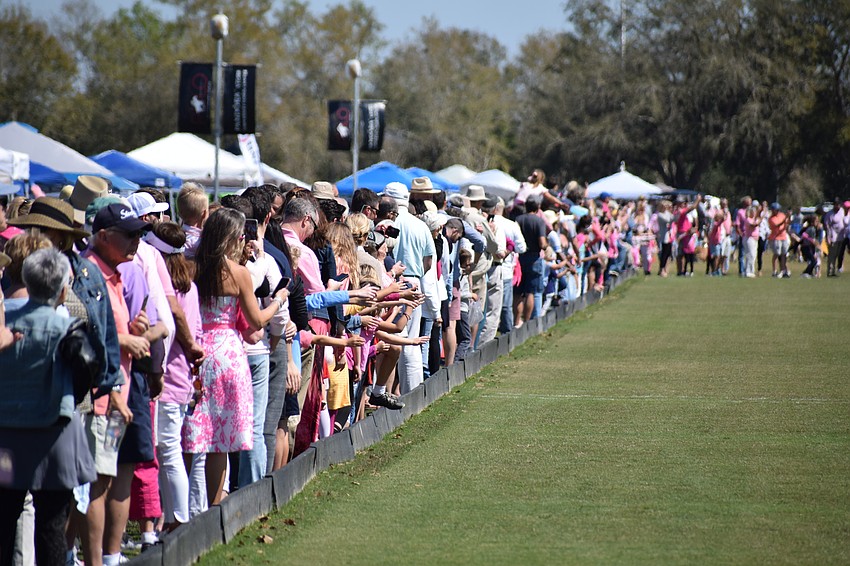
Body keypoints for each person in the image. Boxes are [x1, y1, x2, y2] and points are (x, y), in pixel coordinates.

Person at [183, 208, 288, 506]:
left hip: (197, 351)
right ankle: (215, 509)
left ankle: (189, 507)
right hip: (228, 354)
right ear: (232, 238)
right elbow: (256, 321)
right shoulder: (238, 273)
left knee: (193, 435)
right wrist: (279, 300)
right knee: (219, 442)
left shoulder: (191, 267)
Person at [0, 248, 98, 566]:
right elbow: (88, 368)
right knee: (52, 525)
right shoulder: (66, 326)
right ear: (62, 289)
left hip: (7, 432)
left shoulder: (6, 319)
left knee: (3, 524)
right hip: (54, 432)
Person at [514, 195, 548, 325]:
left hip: (520, 258)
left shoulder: (518, 219)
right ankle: (528, 321)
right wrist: (547, 246)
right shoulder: (539, 221)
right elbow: (542, 243)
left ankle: (517, 322)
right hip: (534, 258)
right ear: (538, 207)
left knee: (518, 292)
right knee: (531, 292)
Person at [822, 198, 845, 277]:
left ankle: (834, 271)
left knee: (837, 255)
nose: (838, 206)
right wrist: (828, 238)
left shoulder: (842, 211)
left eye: (839, 204)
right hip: (833, 238)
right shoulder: (829, 214)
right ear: (834, 205)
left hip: (841, 237)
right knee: (832, 255)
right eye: (836, 204)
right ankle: (830, 271)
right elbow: (827, 226)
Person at [768, 202, 790, 278]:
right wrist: (784, 220)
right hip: (776, 238)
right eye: (776, 210)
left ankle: (783, 270)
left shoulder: (782, 215)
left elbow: (787, 223)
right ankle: (774, 270)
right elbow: (777, 225)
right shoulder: (771, 219)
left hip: (783, 237)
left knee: (784, 254)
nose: (777, 211)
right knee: (777, 254)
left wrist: (788, 216)